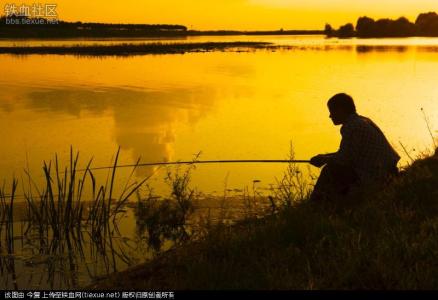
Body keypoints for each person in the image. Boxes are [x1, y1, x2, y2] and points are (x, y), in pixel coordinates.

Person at [309, 93, 400, 203]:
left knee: (329, 171)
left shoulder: (352, 126)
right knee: (335, 169)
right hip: (386, 169)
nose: (330, 116)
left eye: (332, 111)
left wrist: (323, 159)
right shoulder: (362, 120)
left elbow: (345, 159)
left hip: (377, 174)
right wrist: (325, 157)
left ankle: (315, 205)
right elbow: (346, 153)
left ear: (342, 110)